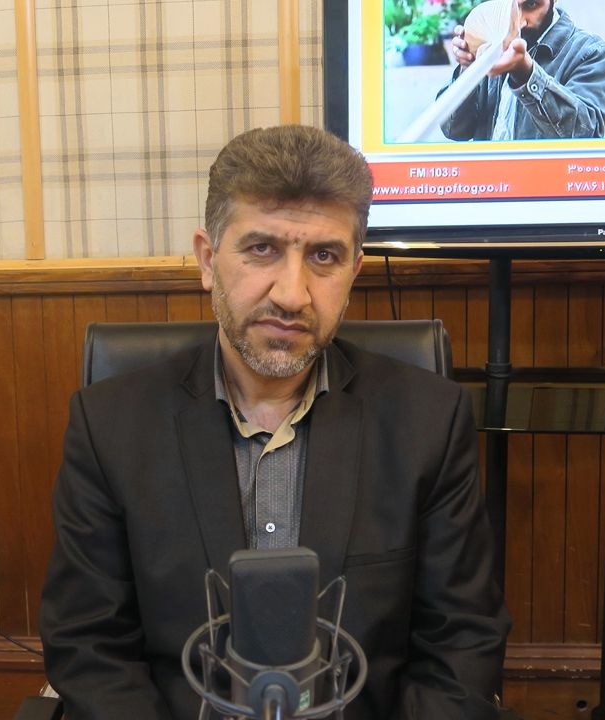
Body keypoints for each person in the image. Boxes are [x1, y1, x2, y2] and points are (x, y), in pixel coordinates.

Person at [39, 125, 511, 719]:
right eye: (262, 249)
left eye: (323, 256)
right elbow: (88, 645)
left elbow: (461, 644)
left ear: (354, 272)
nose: (292, 294)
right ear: (208, 260)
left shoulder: (429, 423)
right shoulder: (109, 425)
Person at [440, 0, 605, 140]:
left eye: (531, 4)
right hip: (489, 175)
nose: (520, 22)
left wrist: (525, 74)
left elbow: (585, 137)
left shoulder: (590, 52)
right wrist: (467, 70)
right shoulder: (492, 43)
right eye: (509, 7)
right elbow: (453, 130)